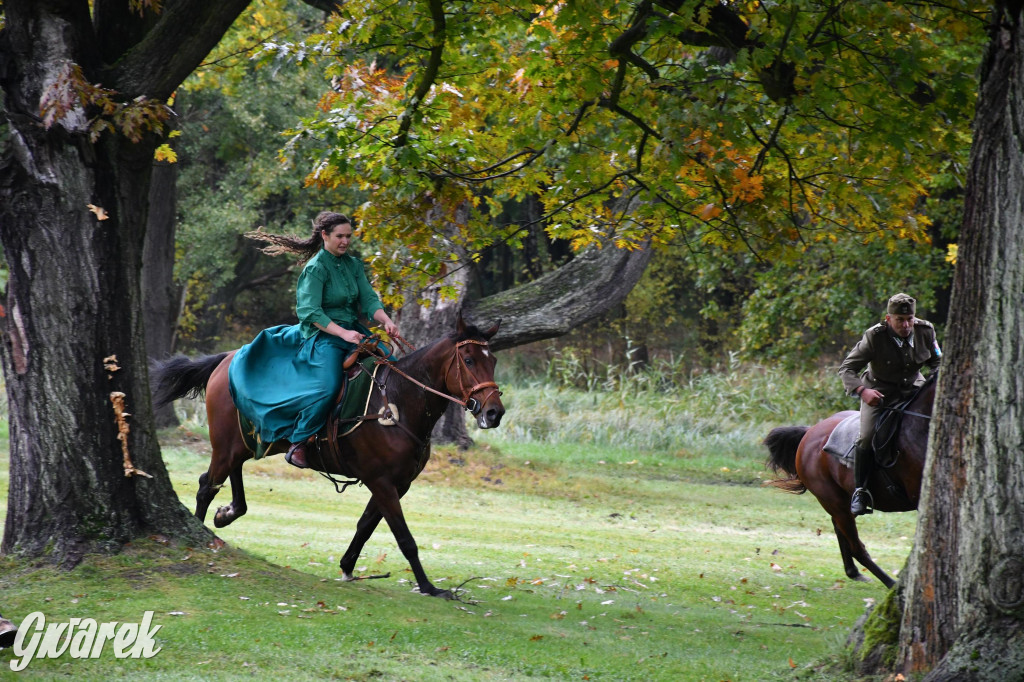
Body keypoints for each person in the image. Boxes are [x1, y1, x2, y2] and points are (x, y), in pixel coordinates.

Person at [228, 211, 399, 469]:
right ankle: (299, 441)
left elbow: (369, 299)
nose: (345, 241)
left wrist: (385, 319)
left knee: (394, 366)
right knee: (328, 387)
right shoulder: (315, 268)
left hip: (353, 332)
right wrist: (343, 333)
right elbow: (310, 312)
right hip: (323, 336)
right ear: (324, 236)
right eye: (339, 236)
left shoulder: (353, 265)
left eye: (348, 236)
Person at [838, 293, 942, 516]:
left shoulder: (926, 330)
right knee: (866, 436)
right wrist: (862, 391)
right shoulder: (875, 336)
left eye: (909, 319)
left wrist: (935, 383)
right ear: (888, 319)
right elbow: (847, 369)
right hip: (879, 393)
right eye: (900, 320)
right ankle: (861, 490)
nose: (906, 325)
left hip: (915, 389)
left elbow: (937, 362)